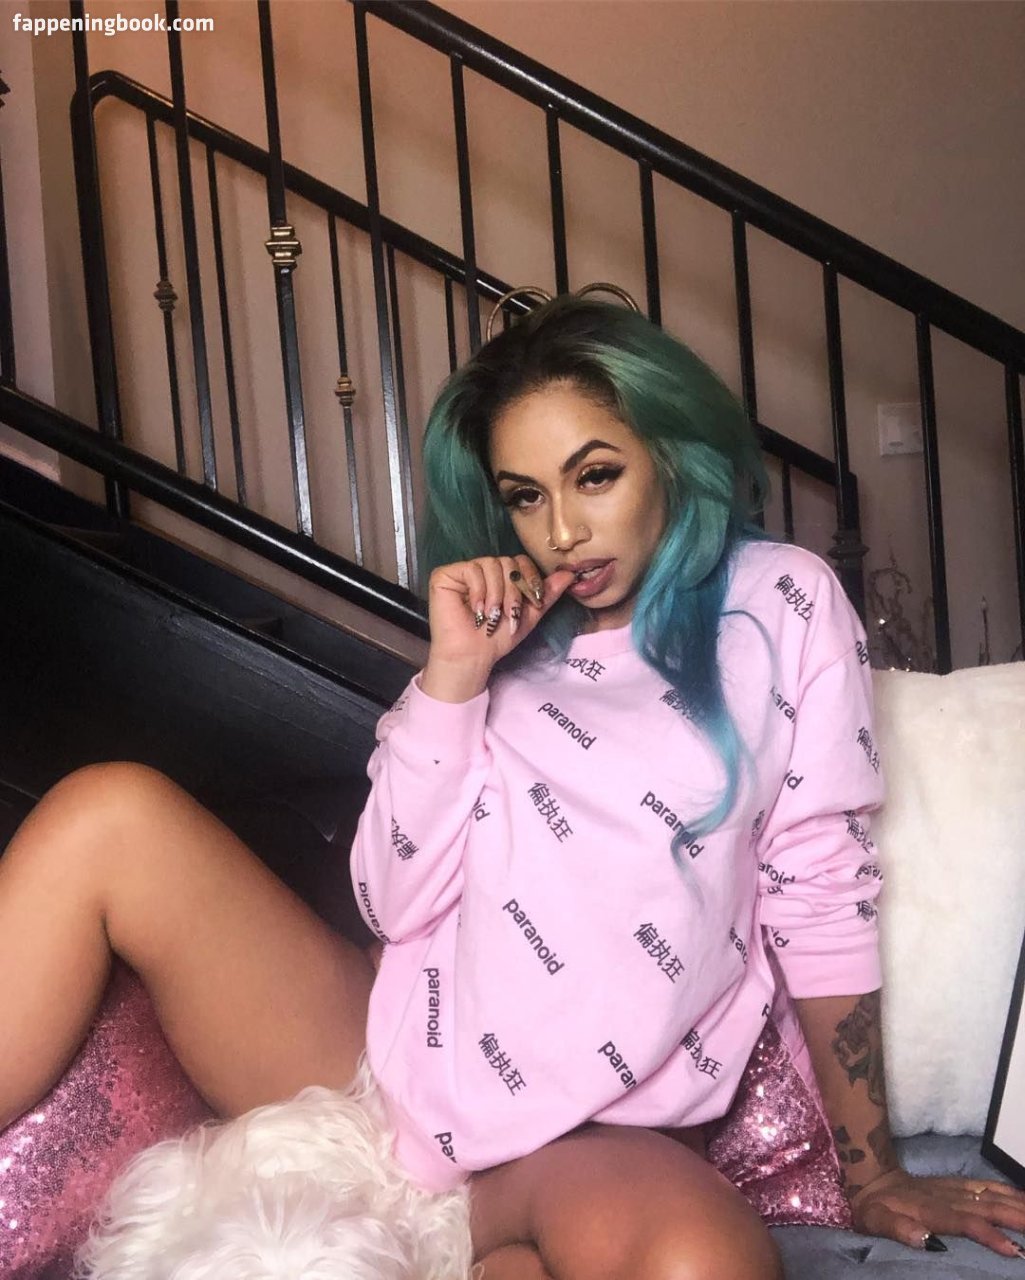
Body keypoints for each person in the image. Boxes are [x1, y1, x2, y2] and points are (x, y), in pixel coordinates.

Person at [1, 294, 1023, 1279]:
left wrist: (870, 1170)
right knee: (110, 814)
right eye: (527, 495)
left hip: (583, 1138)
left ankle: (487, 1247)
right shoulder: (503, 635)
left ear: (671, 453)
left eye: (594, 475)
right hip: (372, 1063)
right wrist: (452, 677)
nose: (561, 530)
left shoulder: (779, 602)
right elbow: (392, 902)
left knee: (700, 1263)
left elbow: (818, 886)